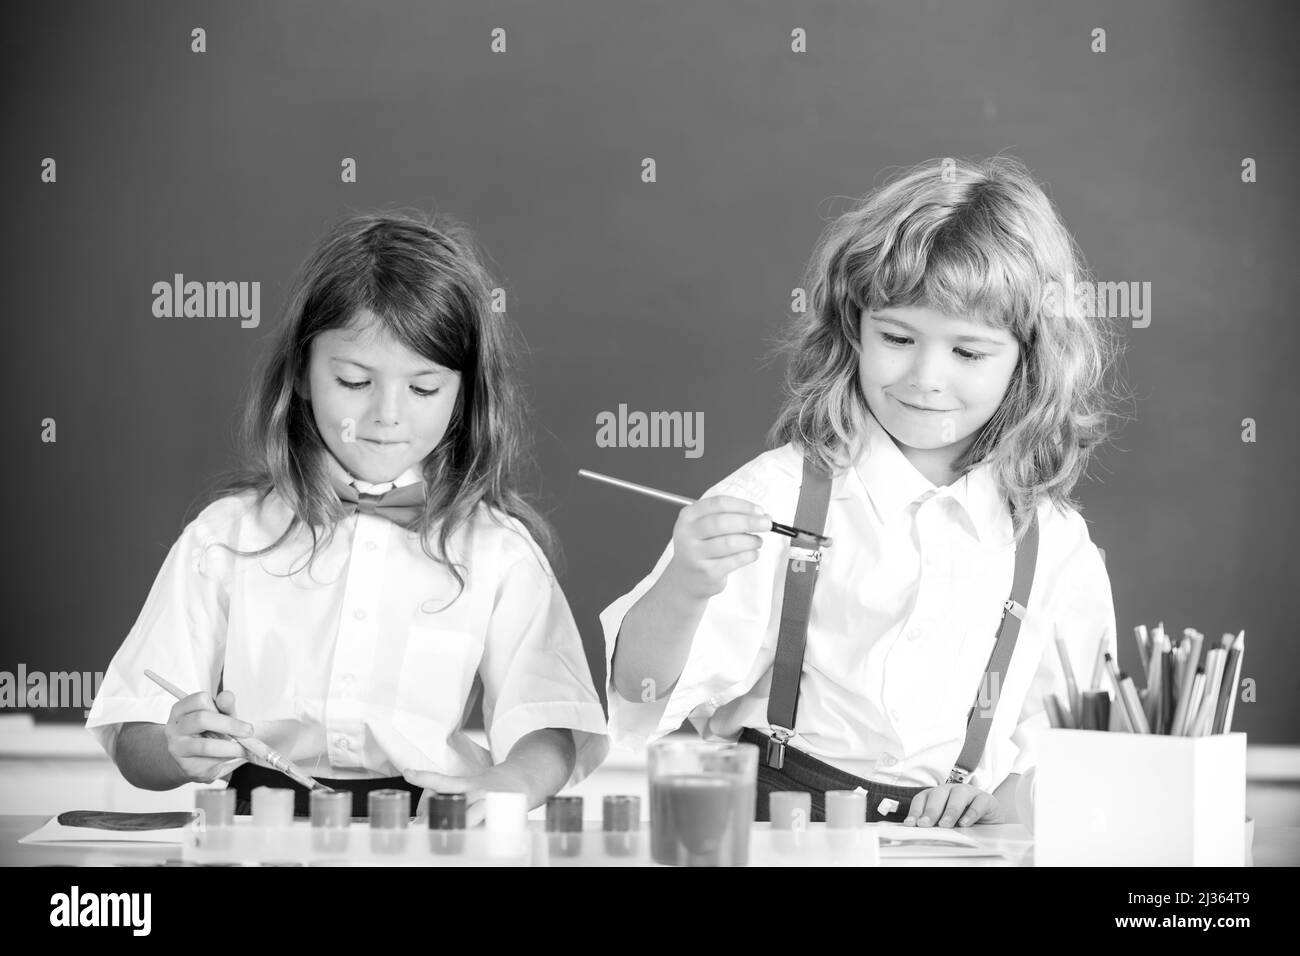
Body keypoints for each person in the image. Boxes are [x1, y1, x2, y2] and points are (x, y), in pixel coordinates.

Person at [601, 157, 1121, 827]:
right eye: (898, 337)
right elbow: (639, 695)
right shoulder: (781, 492)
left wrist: (998, 804)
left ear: (1030, 359)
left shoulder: (1053, 548)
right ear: (854, 328)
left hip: (946, 848)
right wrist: (685, 587)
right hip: (775, 831)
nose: (926, 378)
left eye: (968, 352)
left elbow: (1080, 753)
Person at [87, 212, 608, 823]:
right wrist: (178, 748)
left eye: (423, 389)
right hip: (261, 829)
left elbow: (549, 724)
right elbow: (134, 738)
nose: (387, 415)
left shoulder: (497, 550)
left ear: (463, 396)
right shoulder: (225, 536)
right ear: (303, 376)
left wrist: (509, 785)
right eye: (355, 381)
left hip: (427, 827)